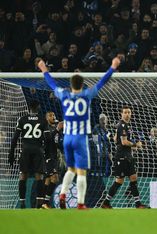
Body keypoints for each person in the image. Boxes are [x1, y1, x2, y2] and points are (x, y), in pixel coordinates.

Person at [37, 56, 121, 209]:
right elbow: (102, 82)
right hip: (80, 138)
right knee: (81, 172)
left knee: (71, 169)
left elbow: (52, 84)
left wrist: (44, 69)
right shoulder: (87, 95)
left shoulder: (64, 95)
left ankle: (63, 193)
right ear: (82, 84)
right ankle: (81, 203)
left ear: (71, 85)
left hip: (67, 138)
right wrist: (113, 67)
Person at [101, 106, 148, 209]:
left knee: (133, 178)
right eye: (125, 112)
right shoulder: (122, 125)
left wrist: (130, 147)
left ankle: (138, 204)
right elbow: (124, 142)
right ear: (121, 114)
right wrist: (136, 145)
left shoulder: (124, 125)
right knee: (119, 181)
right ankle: (106, 202)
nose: (127, 114)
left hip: (127, 156)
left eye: (129, 112)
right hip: (122, 157)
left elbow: (115, 139)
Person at [8, 101, 47, 208]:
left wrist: (11, 154)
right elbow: (48, 139)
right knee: (39, 176)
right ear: (38, 107)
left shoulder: (22, 119)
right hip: (38, 150)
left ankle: (22, 203)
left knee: (23, 175)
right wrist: (47, 153)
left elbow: (15, 138)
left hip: (25, 150)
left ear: (29, 108)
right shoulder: (42, 120)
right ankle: (39, 204)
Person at [42, 111, 64, 209]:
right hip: (48, 156)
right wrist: (58, 129)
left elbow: (56, 142)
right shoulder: (46, 128)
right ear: (47, 118)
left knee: (48, 180)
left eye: (54, 115)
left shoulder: (55, 128)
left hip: (54, 156)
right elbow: (48, 140)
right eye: (51, 115)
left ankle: (42, 203)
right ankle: (45, 202)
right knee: (55, 178)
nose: (53, 117)